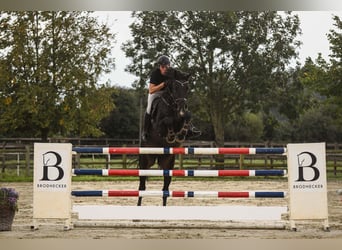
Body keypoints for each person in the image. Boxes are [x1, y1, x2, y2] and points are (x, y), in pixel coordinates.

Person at [142, 55, 201, 141]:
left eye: (166, 66)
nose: (164, 68)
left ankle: (190, 128)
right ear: (159, 67)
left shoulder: (172, 72)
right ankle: (145, 131)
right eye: (162, 67)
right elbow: (151, 90)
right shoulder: (155, 74)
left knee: (181, 102)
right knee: (149, 108)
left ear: (169, 65)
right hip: (155, 93)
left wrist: (189, 75)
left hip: (168, 93)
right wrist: (164, 84)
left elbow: (182, 77)